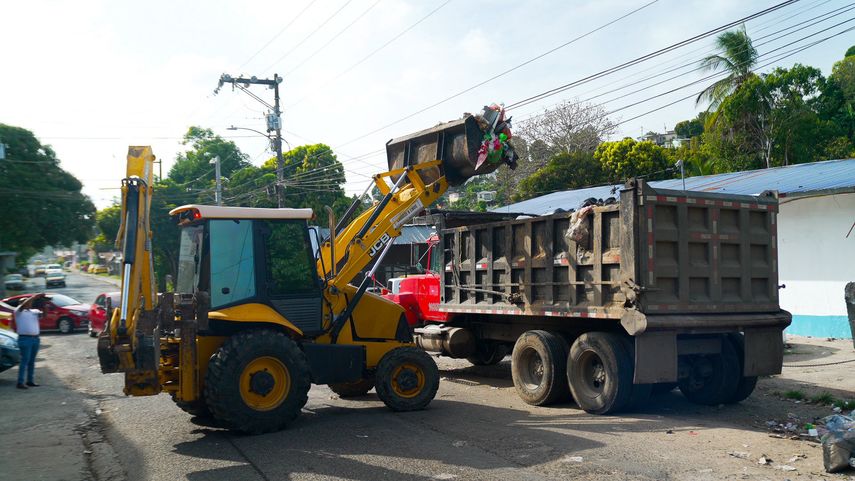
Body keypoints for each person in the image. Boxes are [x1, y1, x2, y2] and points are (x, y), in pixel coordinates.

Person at [14, 292, 44, 389]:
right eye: (26, 302)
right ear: (21, 304)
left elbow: (43, 315)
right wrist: (33, 297)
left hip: (35, 339)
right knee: (25, 360)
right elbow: (23, 305)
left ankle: (30, 381)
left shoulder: (34, 311)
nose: (29, 303)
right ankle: (20, 382)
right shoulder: (18, 311)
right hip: (24, 339)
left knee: (31, 361)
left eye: (29, 302)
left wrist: (45, 304)